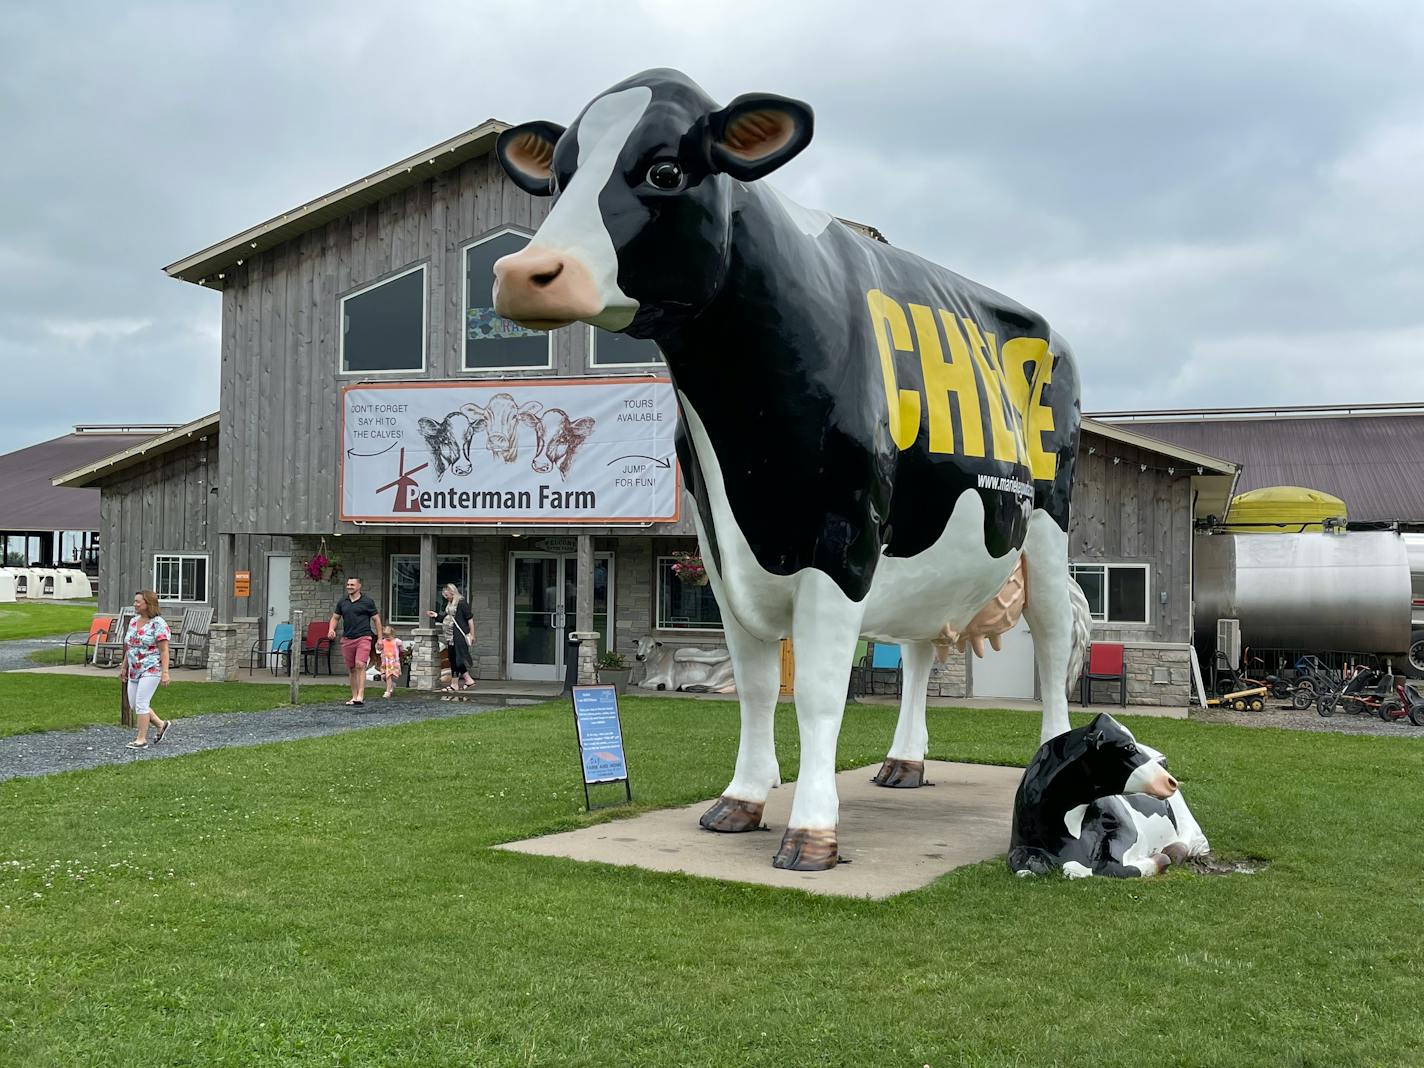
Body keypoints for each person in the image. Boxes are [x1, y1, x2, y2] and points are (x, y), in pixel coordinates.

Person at [121, 590, 171, 749]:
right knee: (134, 704)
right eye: (134, 601)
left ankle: (141, 739)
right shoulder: (133, 622)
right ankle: (161, 724)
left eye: (138, 602)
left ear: (148, 604)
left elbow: (164, 650)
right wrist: (124, 667)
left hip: (151, 668)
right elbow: (130, 646)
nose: (135, 604)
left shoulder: (158, 624)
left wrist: (165, 672)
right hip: (134, 668)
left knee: (142, 703)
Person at [328, 576, 382, 706]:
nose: (349, 587)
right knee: (352, 668)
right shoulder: (343, 602)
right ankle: (354, 696)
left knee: (360, 664)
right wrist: (331, 629)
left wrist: (380, 638)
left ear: (359, 586)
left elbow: (377, 620)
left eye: (352, 585)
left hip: (364, 637)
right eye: (348, 584)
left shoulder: (367, 602)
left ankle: (360, 695)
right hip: (347, 639)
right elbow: (335, 618)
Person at [427, 582, 475, 692]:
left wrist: (472, 635)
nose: (446, 598)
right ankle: (469, 680)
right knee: (453, 658)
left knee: (457, 660)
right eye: (445, 596)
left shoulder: (461, 603)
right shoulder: (449, 604)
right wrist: (435, 616)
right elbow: (445, 618)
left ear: (452, 593)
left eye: (447, 595)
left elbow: (470, 619)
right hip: (450, 636)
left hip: (459, 636)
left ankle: (454, 684)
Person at [377, 626, 404, 699]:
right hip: (385, 661)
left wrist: (401, 651)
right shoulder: (383, 641)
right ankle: (391, 685)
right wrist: (379, 646)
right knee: (384, 676)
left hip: (392, 661)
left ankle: (387, 691)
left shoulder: (396, 641)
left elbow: (401, 649)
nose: (387, 637)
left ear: (392, 634)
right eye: (385, 636)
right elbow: (379, 649)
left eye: (388, 636)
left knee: (388, 675)